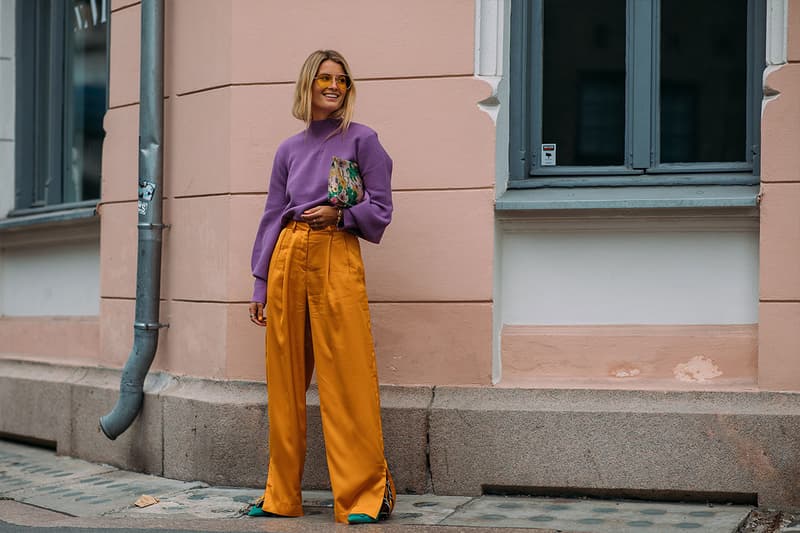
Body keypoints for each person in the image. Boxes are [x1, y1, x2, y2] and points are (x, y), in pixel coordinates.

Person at [247, 49, 396, 525]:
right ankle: (280, 495)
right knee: (284, 380)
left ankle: (366, 495)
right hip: (289, 255)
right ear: (308, 84)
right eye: (324, 78)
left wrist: (343, 214)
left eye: (342, 80)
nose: (333, 86)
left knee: (347, 375)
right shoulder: (287, 150)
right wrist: (259, 282)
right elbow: (273, 214)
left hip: (336, 251)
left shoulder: (363, 140)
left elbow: (382, 207)